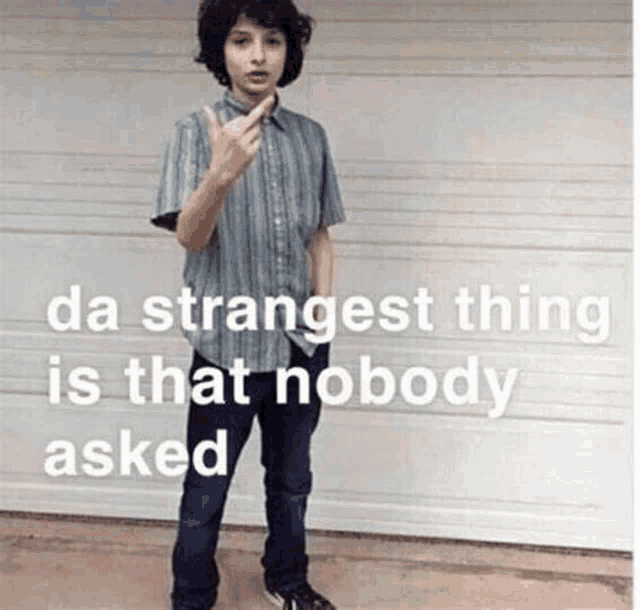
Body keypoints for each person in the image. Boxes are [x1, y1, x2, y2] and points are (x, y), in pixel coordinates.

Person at [151, 0, 345, 608]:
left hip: (299, 346)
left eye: (272, 40)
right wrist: (222, 172)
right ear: (221, 52)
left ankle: (286, 582)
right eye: (241, 40)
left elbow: (320, 234)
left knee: (291, 483)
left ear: (290, 52)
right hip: (227, 347)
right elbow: (190, 235)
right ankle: (192, 596)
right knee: (206, 488)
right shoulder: (194, 131)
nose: (258, 55)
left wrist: (323, 309)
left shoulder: (310, 137)